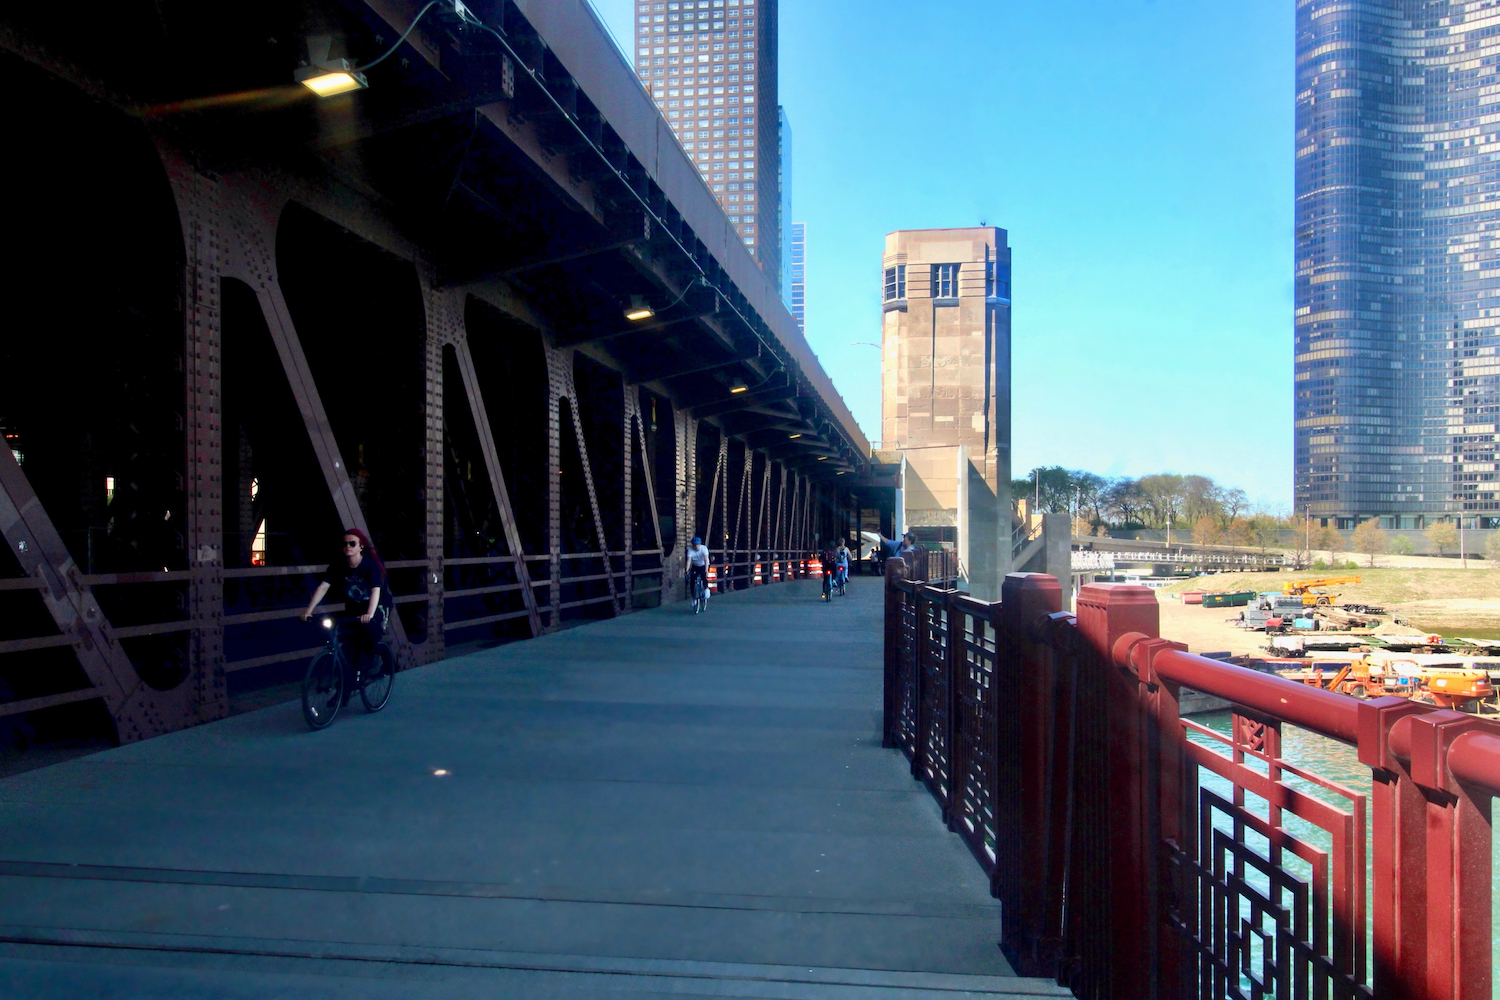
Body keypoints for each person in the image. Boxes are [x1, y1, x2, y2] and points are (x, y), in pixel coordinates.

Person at [301, 528, 392, 670]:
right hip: (354, 607)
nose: (347, 547)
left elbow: (375, 591)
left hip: (376, 606)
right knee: (347, 643)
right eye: (345, 544)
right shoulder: (338, 565)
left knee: (370, 635)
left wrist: (370, 614)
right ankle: (346, 685)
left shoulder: (370, 565)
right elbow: (323, 587)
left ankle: (380, 658)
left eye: (352, 543)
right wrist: (308, 611)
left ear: (361, 546)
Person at [685, 536, 711, 607]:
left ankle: (706, 589)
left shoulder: (704, 549)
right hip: (695, 566)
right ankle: (694, 598)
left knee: (703, 576)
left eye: (697, 545)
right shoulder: (690, 551)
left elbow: (706, 560)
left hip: (703, 565)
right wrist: (687, 571)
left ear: (700, 544)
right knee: (692, 581)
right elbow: (689, 561)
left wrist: (706, 570)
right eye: (695, 545)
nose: (696, 547)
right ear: (692, 545)